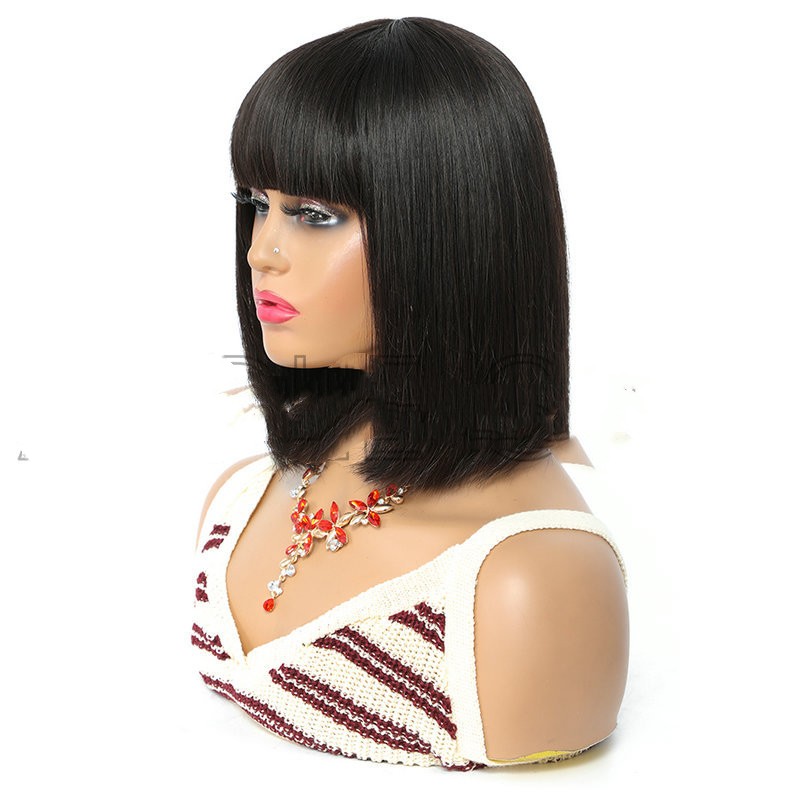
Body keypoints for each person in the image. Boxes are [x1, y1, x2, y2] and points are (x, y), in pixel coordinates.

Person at [190, 17, 629, 770]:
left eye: (316, 215)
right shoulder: (240, 498)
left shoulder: (525, 580)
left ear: (452, 233)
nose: (262, 251)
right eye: (257, 203)